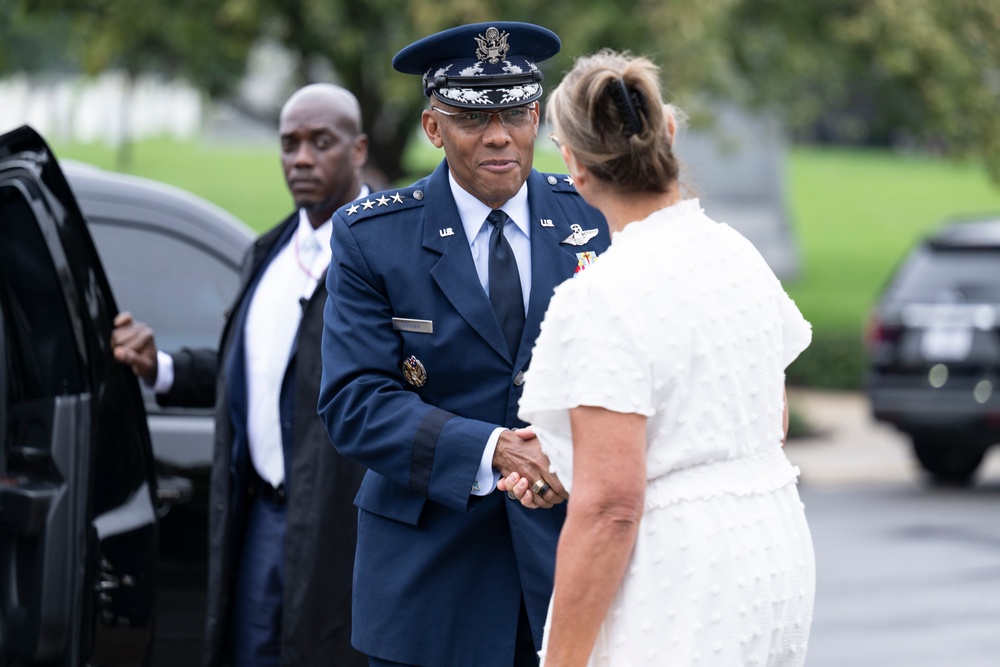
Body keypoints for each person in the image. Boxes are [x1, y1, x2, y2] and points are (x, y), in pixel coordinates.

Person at [506, 49, 816, 666]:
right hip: (775, 556)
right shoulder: (737, 255)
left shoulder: (599, 296)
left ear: (573, 164)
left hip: (683, 575)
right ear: (669, 134)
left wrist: (561, 660)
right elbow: (768, 420)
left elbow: (611, 507)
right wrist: (576, 461)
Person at [316, 22, 610, 667]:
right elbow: (355, 400)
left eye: (518, 113)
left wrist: (566, 450)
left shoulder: (595, 219)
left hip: (571, 568)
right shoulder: (373, 238)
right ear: (432, 128)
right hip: (430, 582)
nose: (500, 135)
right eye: (475, 118)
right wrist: (492, 449)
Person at [111, 83, 370, 667]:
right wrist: (164, 368)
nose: (301, 158)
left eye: (320, 142)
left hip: (345, 524)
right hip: (264, 517)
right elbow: (259, 371)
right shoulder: (269, 252)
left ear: (357, 150)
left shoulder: (390, 249)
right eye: (289, 143)